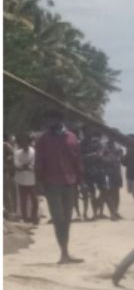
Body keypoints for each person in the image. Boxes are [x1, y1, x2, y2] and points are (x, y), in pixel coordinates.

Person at [33, 110, 84, 264]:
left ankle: (65, 252)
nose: (50, 121)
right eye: (49, 118)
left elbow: (78, 161)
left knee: (67, 219)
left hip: (70, 182)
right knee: (58, 219)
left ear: (60, 119)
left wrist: (80, 181)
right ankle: (63, 253)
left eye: (52, 118)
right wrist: (39, 183)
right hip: (51, 183)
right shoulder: (43, 139)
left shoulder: (72, 137)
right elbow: (39, 162)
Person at [13, 133, 37, 224]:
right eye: (22, 142)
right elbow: (16, 165)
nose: (24, 143)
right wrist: (25, 166)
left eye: (26, 142)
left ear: (29, 142)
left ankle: (34, 217)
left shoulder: (33, 151)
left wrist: (24, 167)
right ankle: (25, 218)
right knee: (23, 200)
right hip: (21, 179)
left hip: (32, 179)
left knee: (34, 199)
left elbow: (34, 165)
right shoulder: (17, 153)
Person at [102, 137, 124, 220]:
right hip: (107, 171)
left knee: (116, 192)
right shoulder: (104, 146)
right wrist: (108, 159)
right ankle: (112, 213)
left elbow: (121, 158)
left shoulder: (118, 147)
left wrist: (115, 157)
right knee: (109, 192)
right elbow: (100, 157)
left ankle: (115, 211)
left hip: (116, 171)